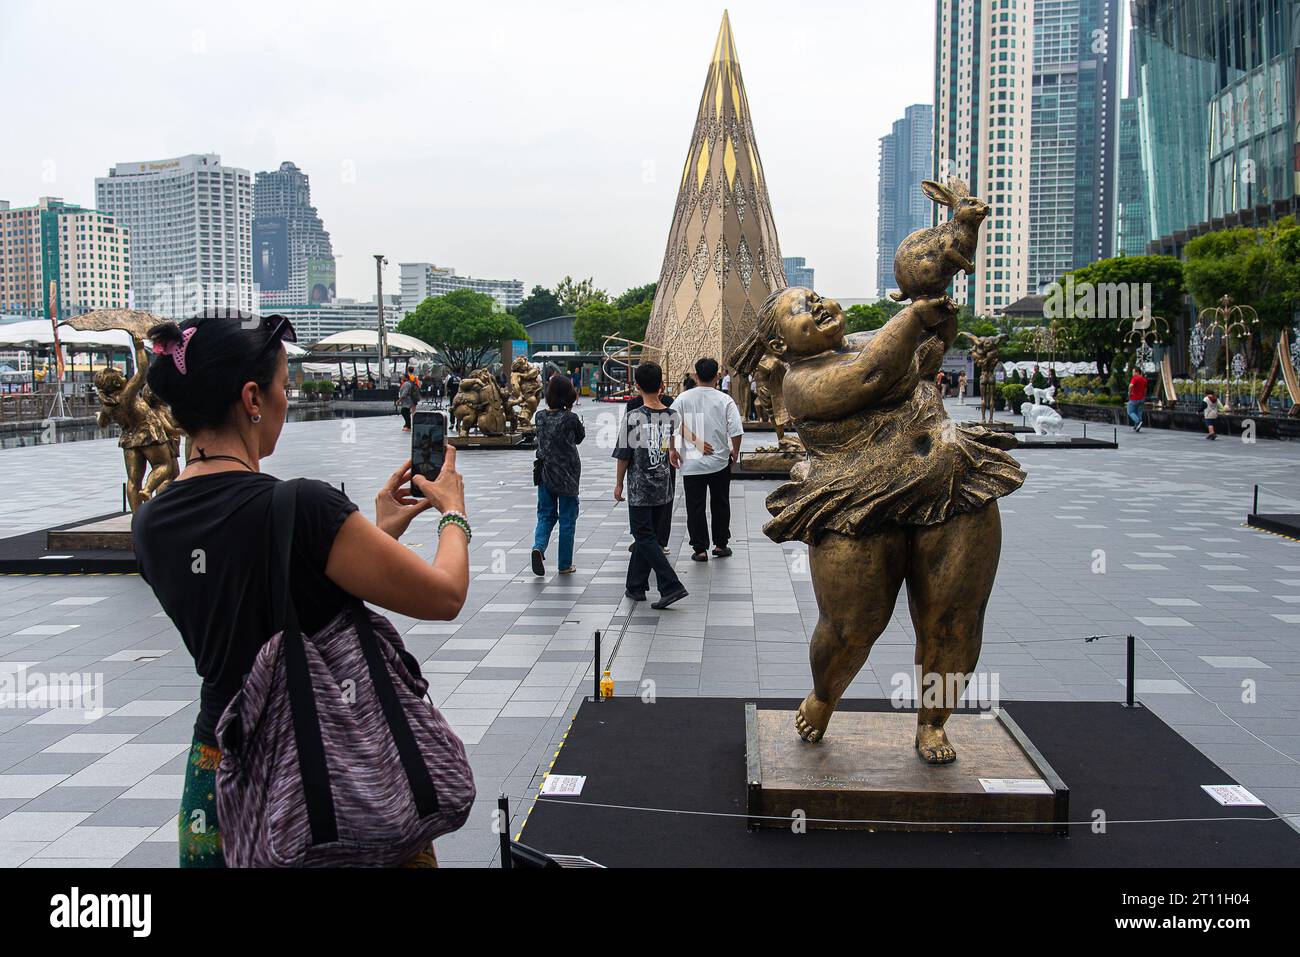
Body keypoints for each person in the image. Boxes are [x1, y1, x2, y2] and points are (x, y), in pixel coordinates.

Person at [132, 310, 472, 868]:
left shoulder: (151, 523)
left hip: (221, 776)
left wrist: (375, 530)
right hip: (327, 770)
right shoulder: (303, 506)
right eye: (284, 386)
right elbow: (444, 594)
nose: (287, 400)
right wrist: (453, 513)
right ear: (251, 398)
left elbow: (257, 590)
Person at [730, 288, 1024, 761]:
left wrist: (939, 307)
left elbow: (932, 343)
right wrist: (913, 317)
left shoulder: (872, 338)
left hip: (951, 486)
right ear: (781, 346)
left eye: (815, 296)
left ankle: (933, 722)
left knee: (955, 622)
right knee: (851, 626)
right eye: (800, 310)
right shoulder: (800, 381)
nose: (818, 305)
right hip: (856, 504)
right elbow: (870, 374)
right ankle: (825, 695)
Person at [613, 362, 688, 609]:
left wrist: (619, 483)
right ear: (661, 385)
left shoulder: (634, 417)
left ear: (636, 386)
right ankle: (635, 586)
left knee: (643, 536)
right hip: (663, 484)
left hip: (641, 487)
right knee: (649, 536)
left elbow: (625, 455)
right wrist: (672, 453)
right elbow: (668, 444)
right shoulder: (671, 415)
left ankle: (670, 585)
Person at [672, 357, 743, 562]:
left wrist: (674, 450)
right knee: (720, 503)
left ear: (695, 375)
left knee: (695, 506)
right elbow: (736, 430)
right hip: (719, 461)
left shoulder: (683, 398)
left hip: (691, 464)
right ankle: (721, 544)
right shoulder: (725, 400)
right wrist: (735, 451)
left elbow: (671, 424)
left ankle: (700, 548)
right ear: (717, 376)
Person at [532, 374, 585, 576]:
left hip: (545, 473)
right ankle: (564, 564)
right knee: (567, 519)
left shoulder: (539, 416)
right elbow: (579, 438)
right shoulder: (570, 418)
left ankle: (538, 547)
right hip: (567, 475)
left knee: (545, 515)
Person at [624, 385, 675, 554]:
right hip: (647, 461)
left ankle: (657, 541)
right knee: (645, 506)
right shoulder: (633, 405)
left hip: (660, 459)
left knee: (663, 505)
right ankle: (643, 540)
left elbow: (670, 434)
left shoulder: (669, 404)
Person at [1127, 367, 1148, 432]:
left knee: (1130, 412)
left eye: (1133, 372)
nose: (1132, 373)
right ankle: (1137, 426)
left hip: (1134, 398)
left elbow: (1131, 386)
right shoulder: (1144, 380)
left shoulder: (1135, 379)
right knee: (1139, 412)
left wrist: (1129, 392)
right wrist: (1143, 396)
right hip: (1141, 399)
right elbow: (1145, 389)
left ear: (1137, 372)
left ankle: (1138, 422)